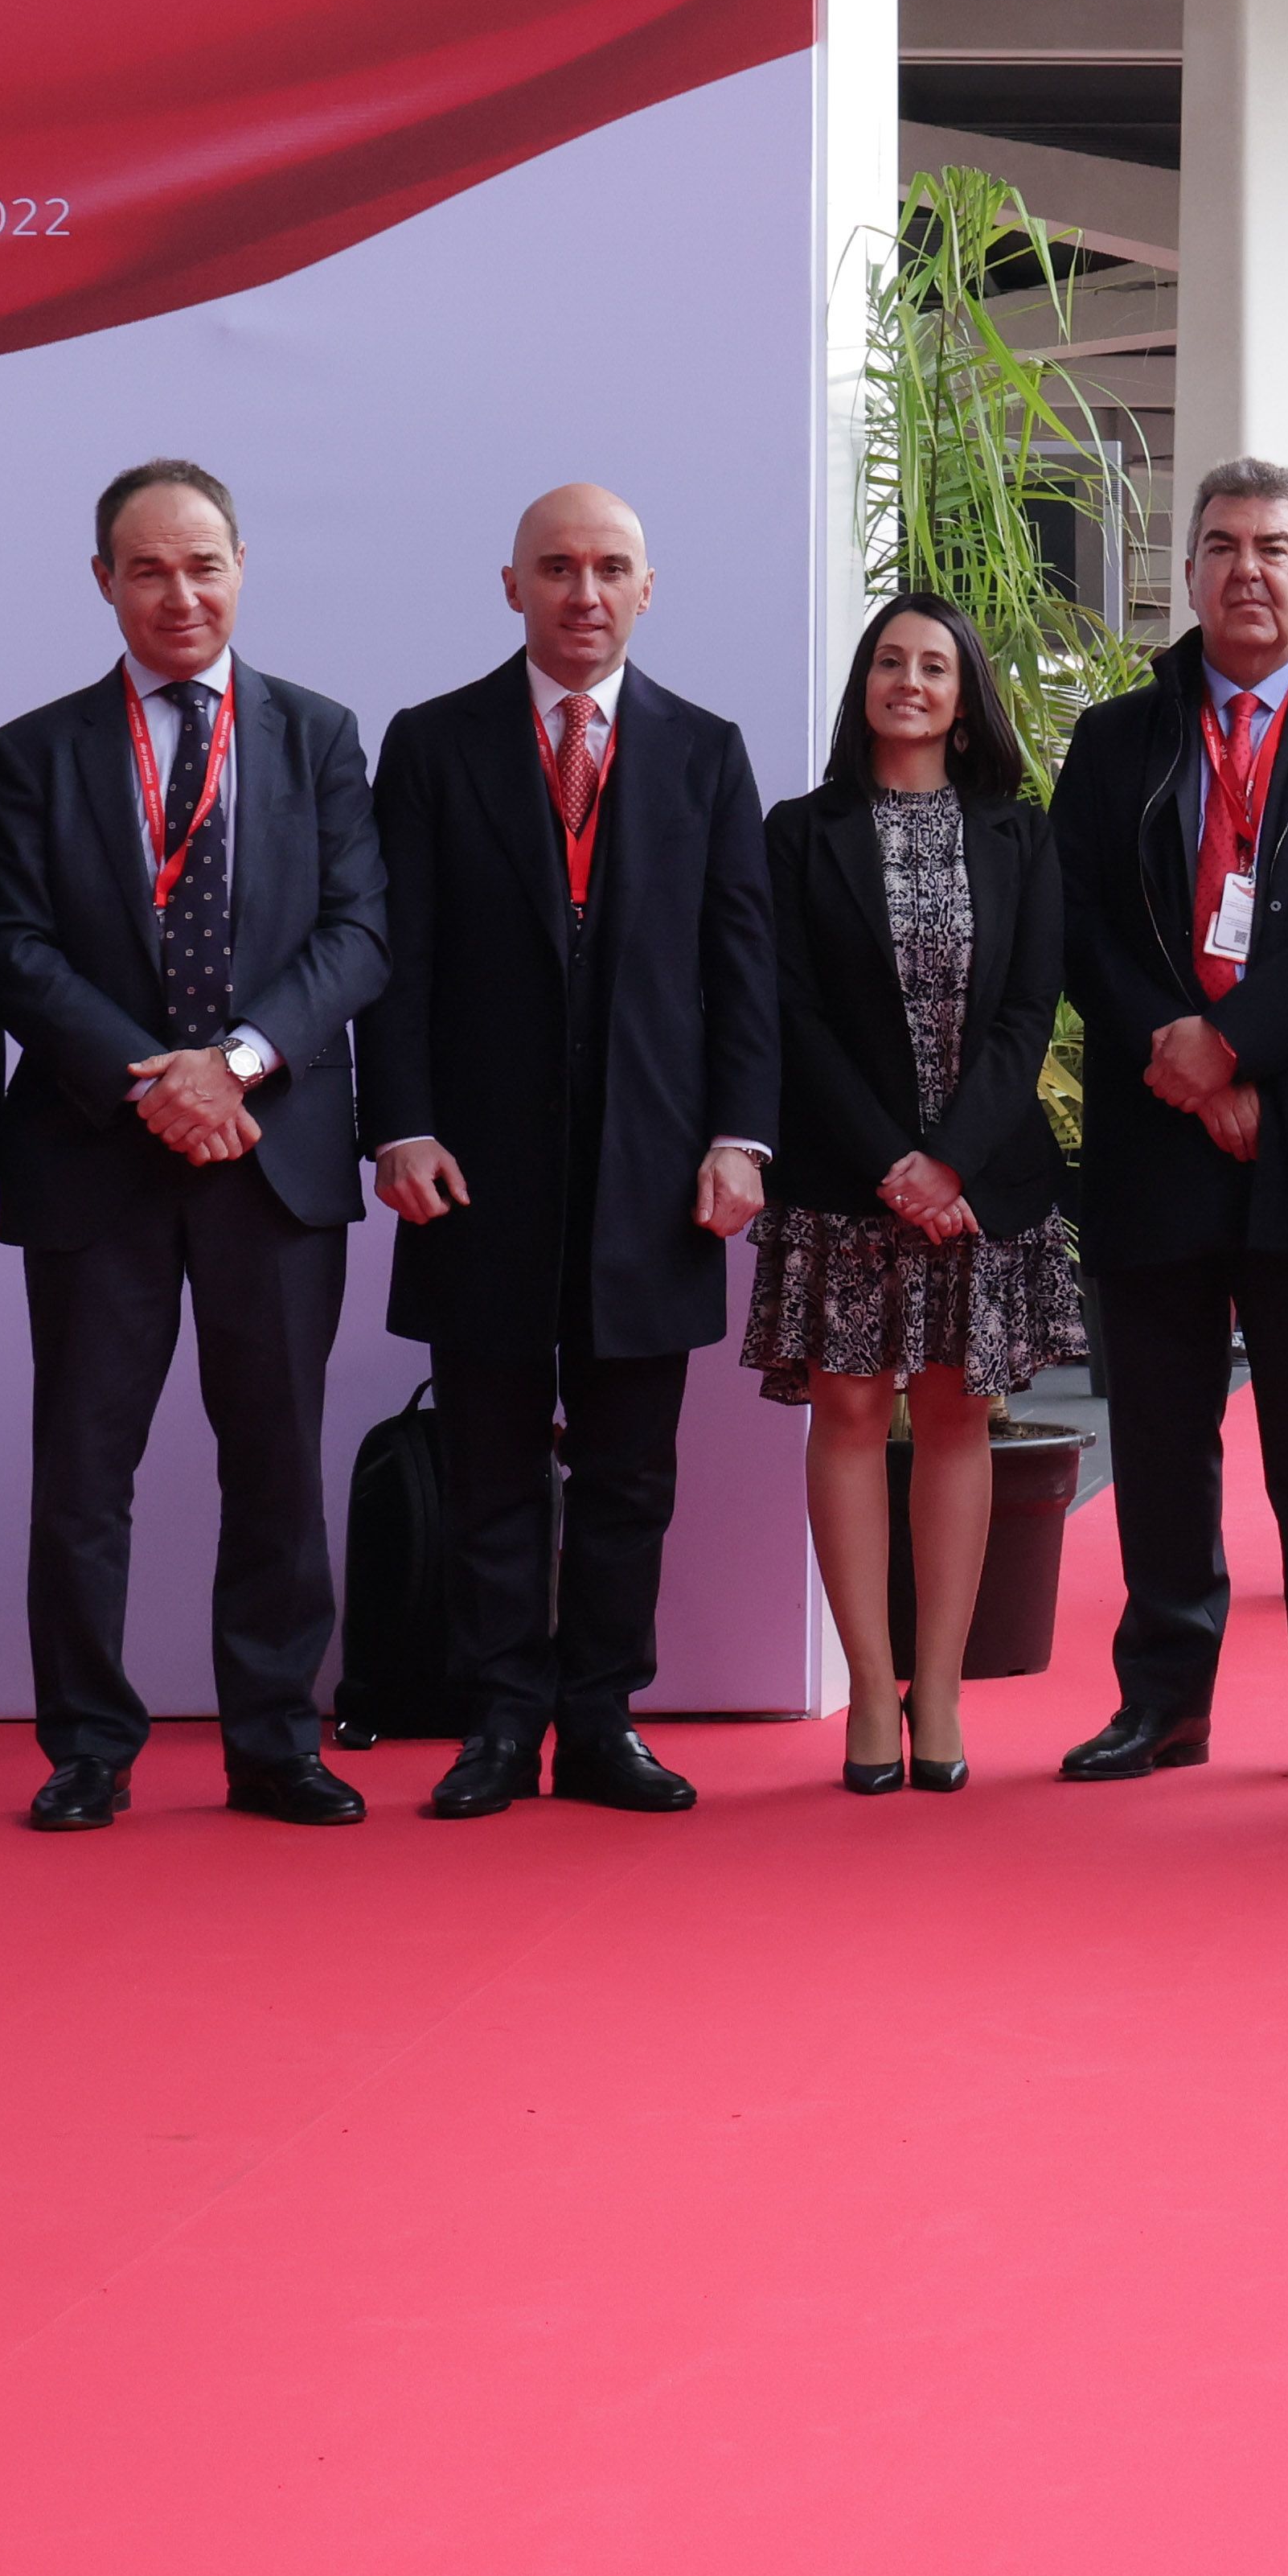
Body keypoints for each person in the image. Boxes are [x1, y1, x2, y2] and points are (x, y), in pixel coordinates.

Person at [0, 458, 389, 1834]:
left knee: (275, 1463)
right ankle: (87, 1747)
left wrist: (240, 1067)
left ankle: (275, 1740)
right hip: (99, 1155)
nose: (180, 593)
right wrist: (151, 1081)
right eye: (147, 569)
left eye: (202, 563)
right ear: (104, 582)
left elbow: (357, 936)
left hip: (273, 1159)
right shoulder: (35, 750)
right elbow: (11, 947)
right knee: (84, 1477)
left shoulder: (320, 735)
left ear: (242, 567)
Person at [358, 484, 779, 1822]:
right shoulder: (431, 745)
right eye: (556, 569)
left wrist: (740, 1139)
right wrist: (400, 1124)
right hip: (472, 1171)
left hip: (657, 1178)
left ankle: (600, 1721)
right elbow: (397, 960)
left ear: (646, 591)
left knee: (628, 1479)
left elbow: (741, 973)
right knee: (487, 1468)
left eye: (608, 570)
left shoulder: (707, 753)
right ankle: (496, 1723)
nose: (582, 593)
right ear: (511, 586)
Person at [1052, 459, 1288, 1792]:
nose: (1247, 571)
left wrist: (1240, 1048)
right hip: (1159, 1123)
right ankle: (1161, 1701)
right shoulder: (1120, 737)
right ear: (1189, 570)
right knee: (1159, 1439)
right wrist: (1182, 1055)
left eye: (1274, 547)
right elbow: (1081, 921)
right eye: (1220, 546)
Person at [750, 594, 1085, 1795]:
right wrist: (892, 1158)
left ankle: (937, 1690)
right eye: (888, 660)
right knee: (845, 1418)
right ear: (863, 685)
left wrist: (947, 1159)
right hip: (846, 1182)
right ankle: (867, 1693)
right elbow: (789, 1013)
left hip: (977, 1182)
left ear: (964, 692)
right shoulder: (797, 833)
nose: (908, 679)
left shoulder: (1018, 833)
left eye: (932, 665)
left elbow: (1024, 1012)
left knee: (953, 1420)